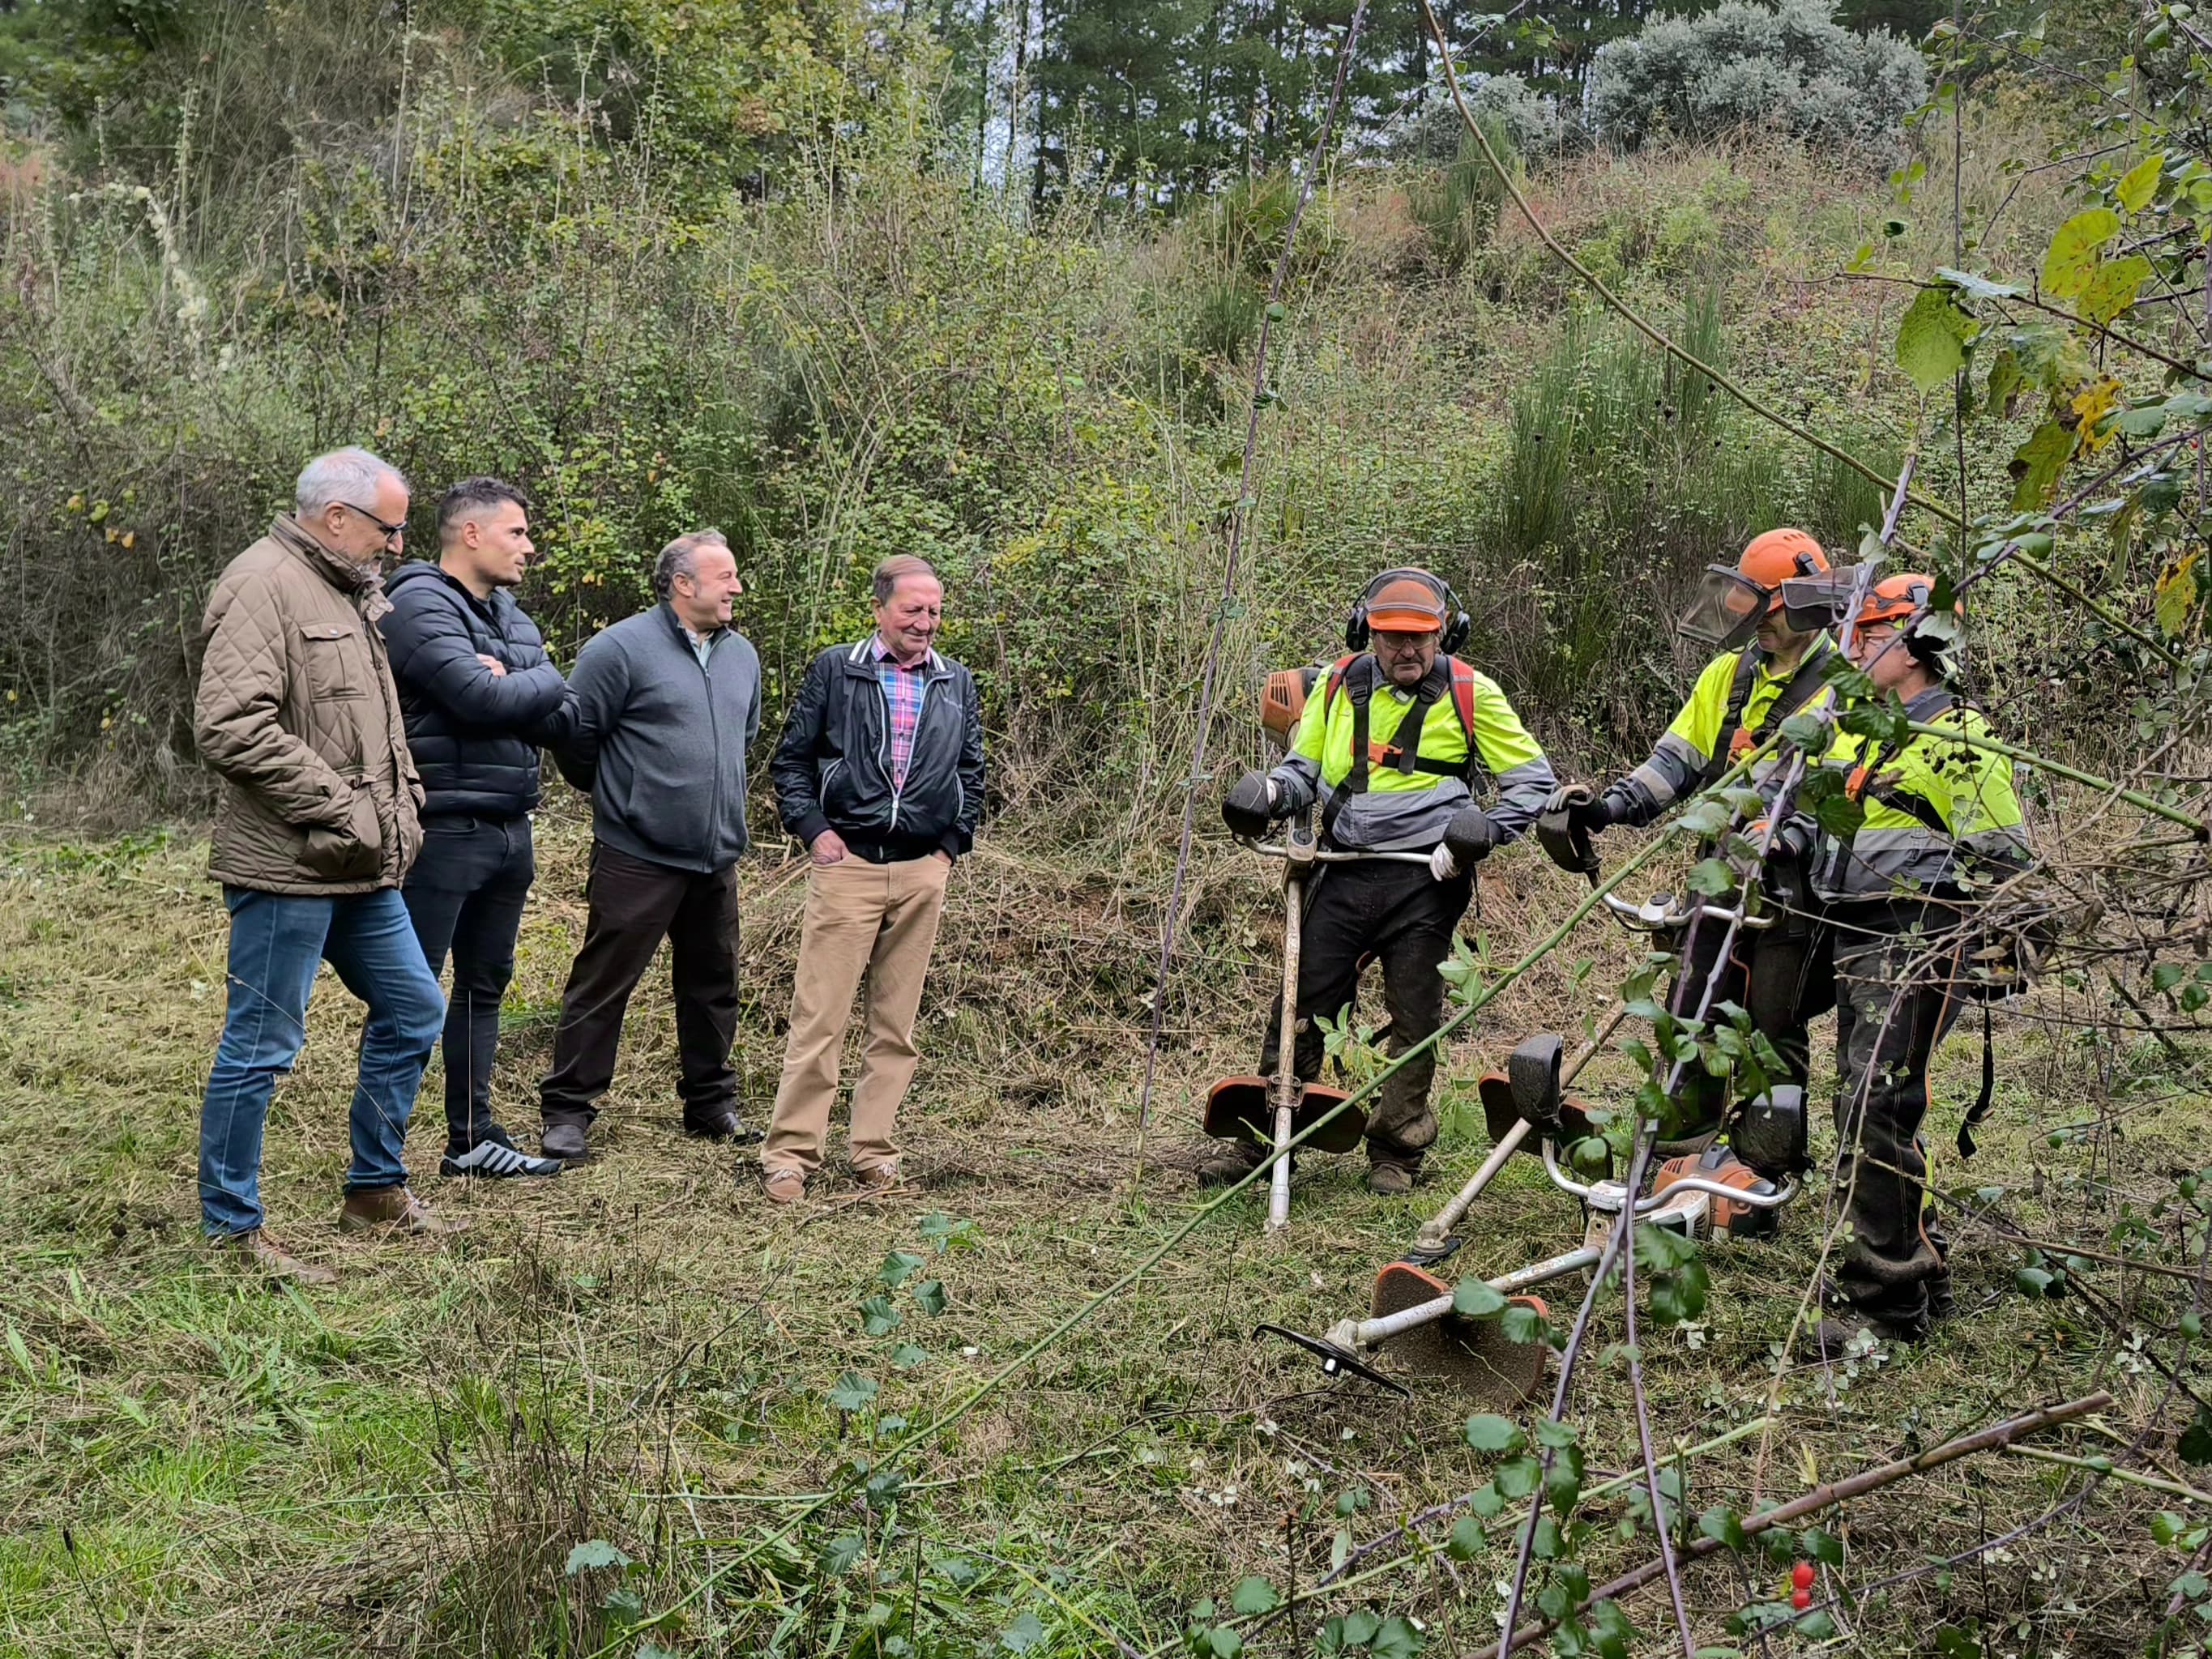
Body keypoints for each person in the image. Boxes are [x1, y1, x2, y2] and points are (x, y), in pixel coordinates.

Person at [193, 446, 458, 1283]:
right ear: (337, 517)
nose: (396, 544)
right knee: (263, 1045)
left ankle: (373, 1190)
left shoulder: (349, 590)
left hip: (359, 864)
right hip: (287, 864)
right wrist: (343, 807)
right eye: (388, 527)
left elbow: (376, 727)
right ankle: (232, 1231)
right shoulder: (260, 583)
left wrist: (402, 802)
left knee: (415, 1008)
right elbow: (231, 724)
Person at [1206, 568, 1557, 1195]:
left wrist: (1481, 832)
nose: (1408, 650)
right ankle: (1267, 1139)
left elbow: (1533, 783)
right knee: (1302, 1000)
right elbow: (1304, 769)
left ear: (1445, 633)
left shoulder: (1474, 693)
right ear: (1366, 632)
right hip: (1341, 867)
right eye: (1392, 637)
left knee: (1415, 1014)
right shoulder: (1339, 685)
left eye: (1422, 637)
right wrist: (1270, 793)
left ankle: (1397, 1149)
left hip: (1427, 877)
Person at [1794, 573, 2031, 1358]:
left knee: (1874, 1107)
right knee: (1869, 1107)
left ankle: (1880, 1303)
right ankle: (1917, 1274)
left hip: (1923, 933)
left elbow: (2012, 861)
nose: (1853, 646)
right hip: (1856, 932)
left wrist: (2007, 941)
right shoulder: (1859, 729)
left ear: (1916, 642)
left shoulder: (1962, 734)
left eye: (1868, 632)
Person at [1543, 528, 1843, 1122]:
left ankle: (1765, 1165)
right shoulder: (1727, 676)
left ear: (1805, 605)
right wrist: (1609, 809)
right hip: (1718, 876)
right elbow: (1674, 762)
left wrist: (1792, 835)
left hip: (1793, 888)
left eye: (1768, 612)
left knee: (1771, 1028)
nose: (1755, 623)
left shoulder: (1850, 685)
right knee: (1692, 1013)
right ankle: (1683, 1150)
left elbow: (1846, 800)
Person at [758, 556, 985, 1205]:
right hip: (848, 867)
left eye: (935, 610)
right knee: (819, 1019)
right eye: (913, 609)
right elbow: (792, 760)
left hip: (922, 871)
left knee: (896, 1026)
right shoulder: (839, 668)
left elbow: (973, 773)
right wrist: (815, 831)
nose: (926, 622)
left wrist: (948, 849)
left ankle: (874, 1153)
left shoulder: (956, 681)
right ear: (881, 609)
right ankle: (791, 1156)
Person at [536, 530, 763, 1161]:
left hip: (715, 853)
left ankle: (710, 1104)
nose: (737, 588)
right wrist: (625, 799)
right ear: (682, 584)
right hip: (637, 854)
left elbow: (741, 736)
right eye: (726, 577)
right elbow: (575, 739)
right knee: (604, 983)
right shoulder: (619, 649)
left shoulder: (742, 653)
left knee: (713, 984)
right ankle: (567, 1113)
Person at [384, 477, 570, 1179]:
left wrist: (517, 679)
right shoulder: (417, 597)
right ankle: (379, 1164)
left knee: (483, 986)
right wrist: (528, 681)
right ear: (471, 534)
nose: (530, 546)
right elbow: (477, 695)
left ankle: (471, 1141)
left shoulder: (512, 615)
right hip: (442, 830)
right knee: (412, 992)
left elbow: (561, 714)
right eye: (517, 533)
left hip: (508, 827)